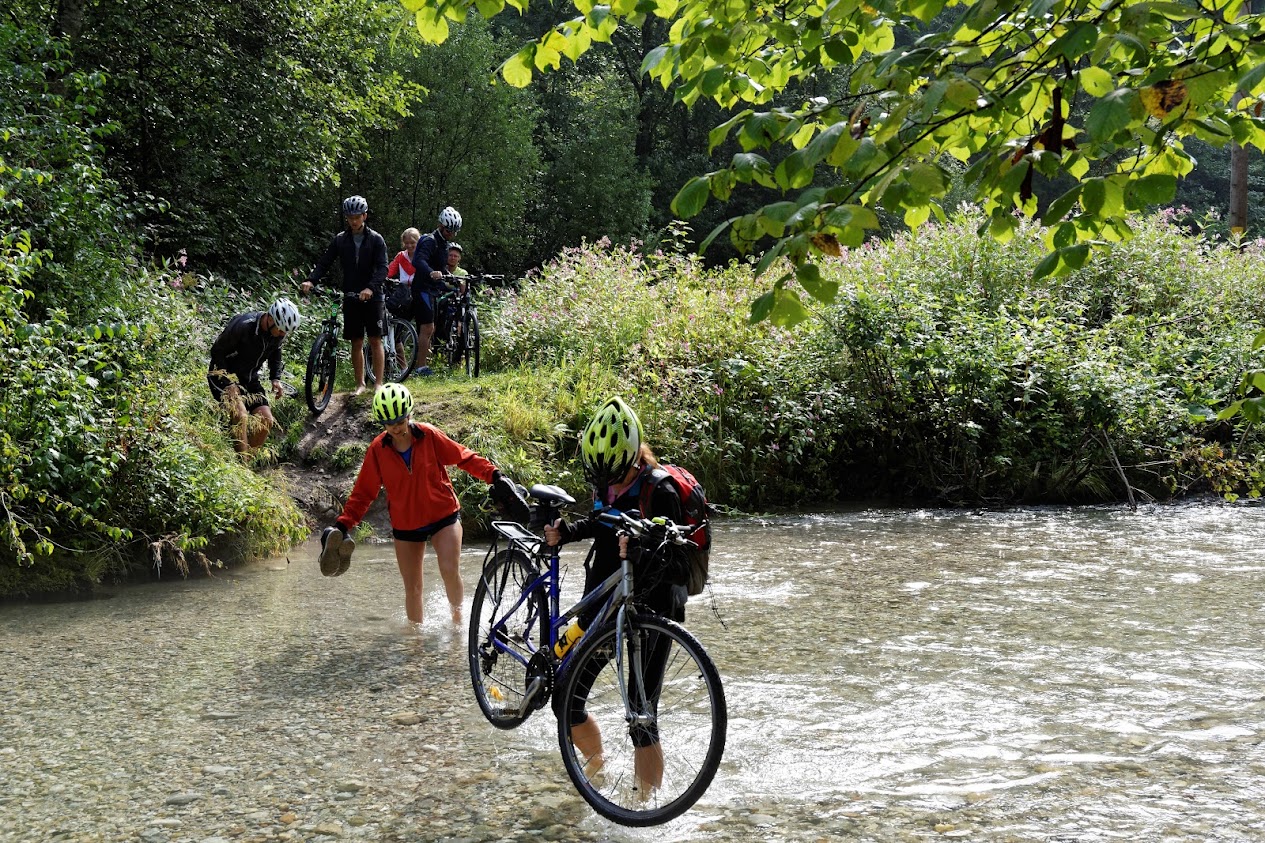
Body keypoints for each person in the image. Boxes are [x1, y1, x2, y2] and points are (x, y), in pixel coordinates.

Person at [544, 396, 690, 793]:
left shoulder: (661, 491)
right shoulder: (606, 477)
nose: (607, 485)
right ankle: (596, 775)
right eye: (601, 479)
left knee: (641, 714)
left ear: (634, 458)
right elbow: (601, 521)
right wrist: (568, 532)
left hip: (652, 610)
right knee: (566, 700)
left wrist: (641, 550)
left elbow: (677, 562)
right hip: (606, 606)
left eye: (615, 477)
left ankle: (648, 804)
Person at [318, 383, 530, 626]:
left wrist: (495, 476)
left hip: (443, 516)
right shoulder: (378, 450)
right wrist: (343, 525)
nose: (396, 428)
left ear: (409, 414)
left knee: (449, 570)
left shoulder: (429, 435)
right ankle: (415, 646)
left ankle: (459, 625)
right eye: (390, 424)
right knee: (413, 588)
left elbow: (464, 457)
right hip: (406, 524)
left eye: (400, 421)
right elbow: (363, 494)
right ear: (382, 423)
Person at [300, 195, 388, 394]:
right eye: (350, 217)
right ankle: (360, 384)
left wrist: (370, 288)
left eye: (357, 216)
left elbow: (383, 269)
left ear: (364, 216)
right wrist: (311, 280)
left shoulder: (376, 239)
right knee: (356, 341)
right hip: (351, 295)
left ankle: (378, 383)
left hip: (373, 296)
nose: (353, 220)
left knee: (375, 339)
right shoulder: (341, 239)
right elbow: (325, 262)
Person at [207, 298, 302, 453]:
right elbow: (217, 351)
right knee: (241, 415)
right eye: (280, 330)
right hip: (223, 375)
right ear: (270, 319)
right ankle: (241, 466)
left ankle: (246, 466)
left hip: (249, 378)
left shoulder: (278, 334)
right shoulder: (243, 326)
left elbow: (276, 353)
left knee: (266, 421)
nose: (282, 334)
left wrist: (275, 378)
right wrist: (228, 382)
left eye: (285, 332)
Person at [410, 206, 462, 375]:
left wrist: (453, 279)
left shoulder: (444, 244)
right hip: (422, 288)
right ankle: (421, 367)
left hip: (433, 290)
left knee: (431, 328)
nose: (451, 234)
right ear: (441, 225)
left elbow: (441, 268)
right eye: (448, 230)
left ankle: (422, 363)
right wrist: (431, 272)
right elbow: (418, 261)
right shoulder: (429, 241)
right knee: (427, 327)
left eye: (455, 232)